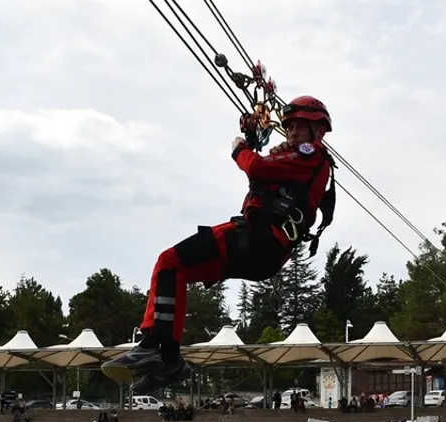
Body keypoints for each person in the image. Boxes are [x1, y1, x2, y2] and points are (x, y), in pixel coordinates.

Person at [102, 97, 336, 392]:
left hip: (260, 240)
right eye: (290, 127)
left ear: (320, 131)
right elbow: (268, 175)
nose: (293, 133)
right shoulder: (296, 160)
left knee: (170, 261)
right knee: (173, 268)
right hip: (262, 247)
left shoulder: (310, 154)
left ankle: (153, 345)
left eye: (301, 128)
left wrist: (240, 149)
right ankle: (170, 360)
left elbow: (257, 167)